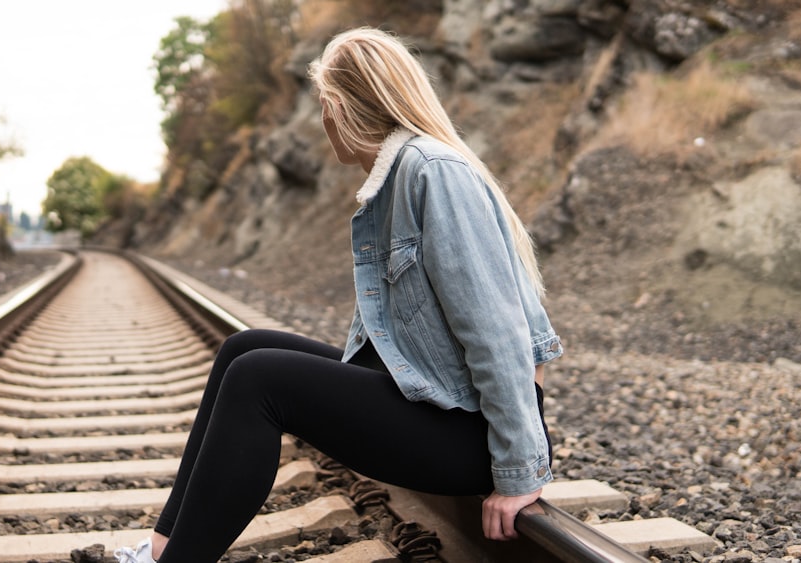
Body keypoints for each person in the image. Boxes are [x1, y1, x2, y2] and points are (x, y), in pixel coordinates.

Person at [115, 27, 563, 563]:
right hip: (439, 401)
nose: (323, 123)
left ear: (339, 107)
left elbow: (500, 332)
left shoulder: (433, 172)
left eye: (323, 105)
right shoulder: (398, 174)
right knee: (244, 348)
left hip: (471, 432)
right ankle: (165, 549)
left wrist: (518, 470)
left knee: (260, 380)